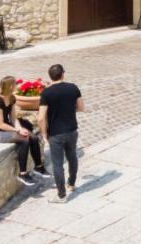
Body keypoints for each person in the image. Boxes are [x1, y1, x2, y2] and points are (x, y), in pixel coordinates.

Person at [38, 63, 83, 204]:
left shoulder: (46, 93)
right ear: (63, 74)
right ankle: (72, 184)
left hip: (56, 134)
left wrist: (44, 135)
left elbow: (40, 118)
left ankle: (61, 195)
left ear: (50, 77)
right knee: (72, 158)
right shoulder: (73, 88)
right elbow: (81, 108)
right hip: (71, 130)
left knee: (58, 164)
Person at [0, 76, 46, 185]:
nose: (17, 86)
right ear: (11, 87)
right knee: (24, 140)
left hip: (8, 130)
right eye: (15, 84)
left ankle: (38, 167)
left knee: (33, 137)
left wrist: (20, 128)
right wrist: (17, 130)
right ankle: (23, 173)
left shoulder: (11, 98)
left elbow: (14, 118)